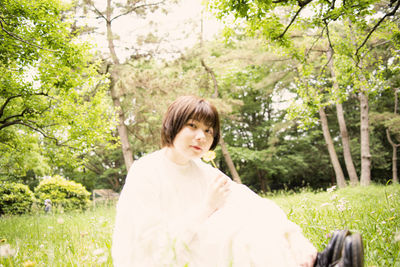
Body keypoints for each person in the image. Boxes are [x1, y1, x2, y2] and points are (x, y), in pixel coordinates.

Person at [112, 95, 364, 267]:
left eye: (209, 131)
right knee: (234, 230)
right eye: (192, 126)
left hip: (201, 252)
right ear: (172, 125)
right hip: (162, 261)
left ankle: (316, 261)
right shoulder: (146, 172)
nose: (202, 136)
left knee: (248, 218)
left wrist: (296, 238)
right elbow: (146, 248)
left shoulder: (204, 171)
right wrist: (206, 208)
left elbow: (255, 205)